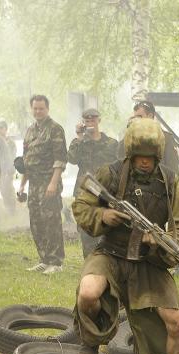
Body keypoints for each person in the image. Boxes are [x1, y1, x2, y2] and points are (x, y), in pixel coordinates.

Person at [72, 118, 179, 354]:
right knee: (88, 293)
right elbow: (82, 206)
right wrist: (103, 217)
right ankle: (91, 339)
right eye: (139, 155)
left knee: (176, 323)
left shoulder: (170, 182)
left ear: (158, 155)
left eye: (150, 157)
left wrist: (161, 239)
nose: (144, 161)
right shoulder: (111, 174)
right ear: (130, 152)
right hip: (111, 252)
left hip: (148, 260)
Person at [18, 95, 67, 274]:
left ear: (47, 109)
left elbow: (60, 159)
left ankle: (56, 262)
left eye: (41, 108)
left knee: (51, 220)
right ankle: (44, 259)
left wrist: (53, 184)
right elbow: (26, 161)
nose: (38, 111)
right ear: (32, 109)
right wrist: (22, 185)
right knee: (36, 221)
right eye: (35, 108)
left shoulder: (55, 129)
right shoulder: (30, 130)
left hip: (49, 182)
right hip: (33, 184)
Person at [68, 107, 118, 257]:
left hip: (105, 192)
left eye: (93, 119)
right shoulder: (80, 142)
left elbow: (118, 167)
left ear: (99, 120)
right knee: (86, 229)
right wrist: (79, 136)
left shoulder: (111, 143)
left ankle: (105, 264)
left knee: (107, 228)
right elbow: (71, 159)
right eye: (87, 120)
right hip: (85, 193)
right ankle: (89, 264)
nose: (90, 122)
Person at [117, 100, 179, 175]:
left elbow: (173, 170)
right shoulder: (132, 137)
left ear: (150, 116)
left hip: (157, 183)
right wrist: (128, 133)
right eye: (135, 117)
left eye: (139, 116)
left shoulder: (166, 138)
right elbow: (120, 159)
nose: (136, 120)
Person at [0, 119, 17, 215]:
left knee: (8, 192)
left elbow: (12, 158)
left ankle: (11, 212)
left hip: (7, 171)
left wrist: (9, 172)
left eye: (1, 128)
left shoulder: (10, 143)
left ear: (6, 129)